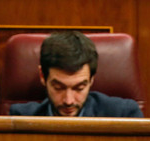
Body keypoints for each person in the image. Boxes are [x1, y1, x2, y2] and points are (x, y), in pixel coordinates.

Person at [9, 31, 143, 117]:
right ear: (42, 76)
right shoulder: (21, 117)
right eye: (58, 87)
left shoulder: (124, 115)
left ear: (91, 79)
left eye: (79, 88)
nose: (69, 100)